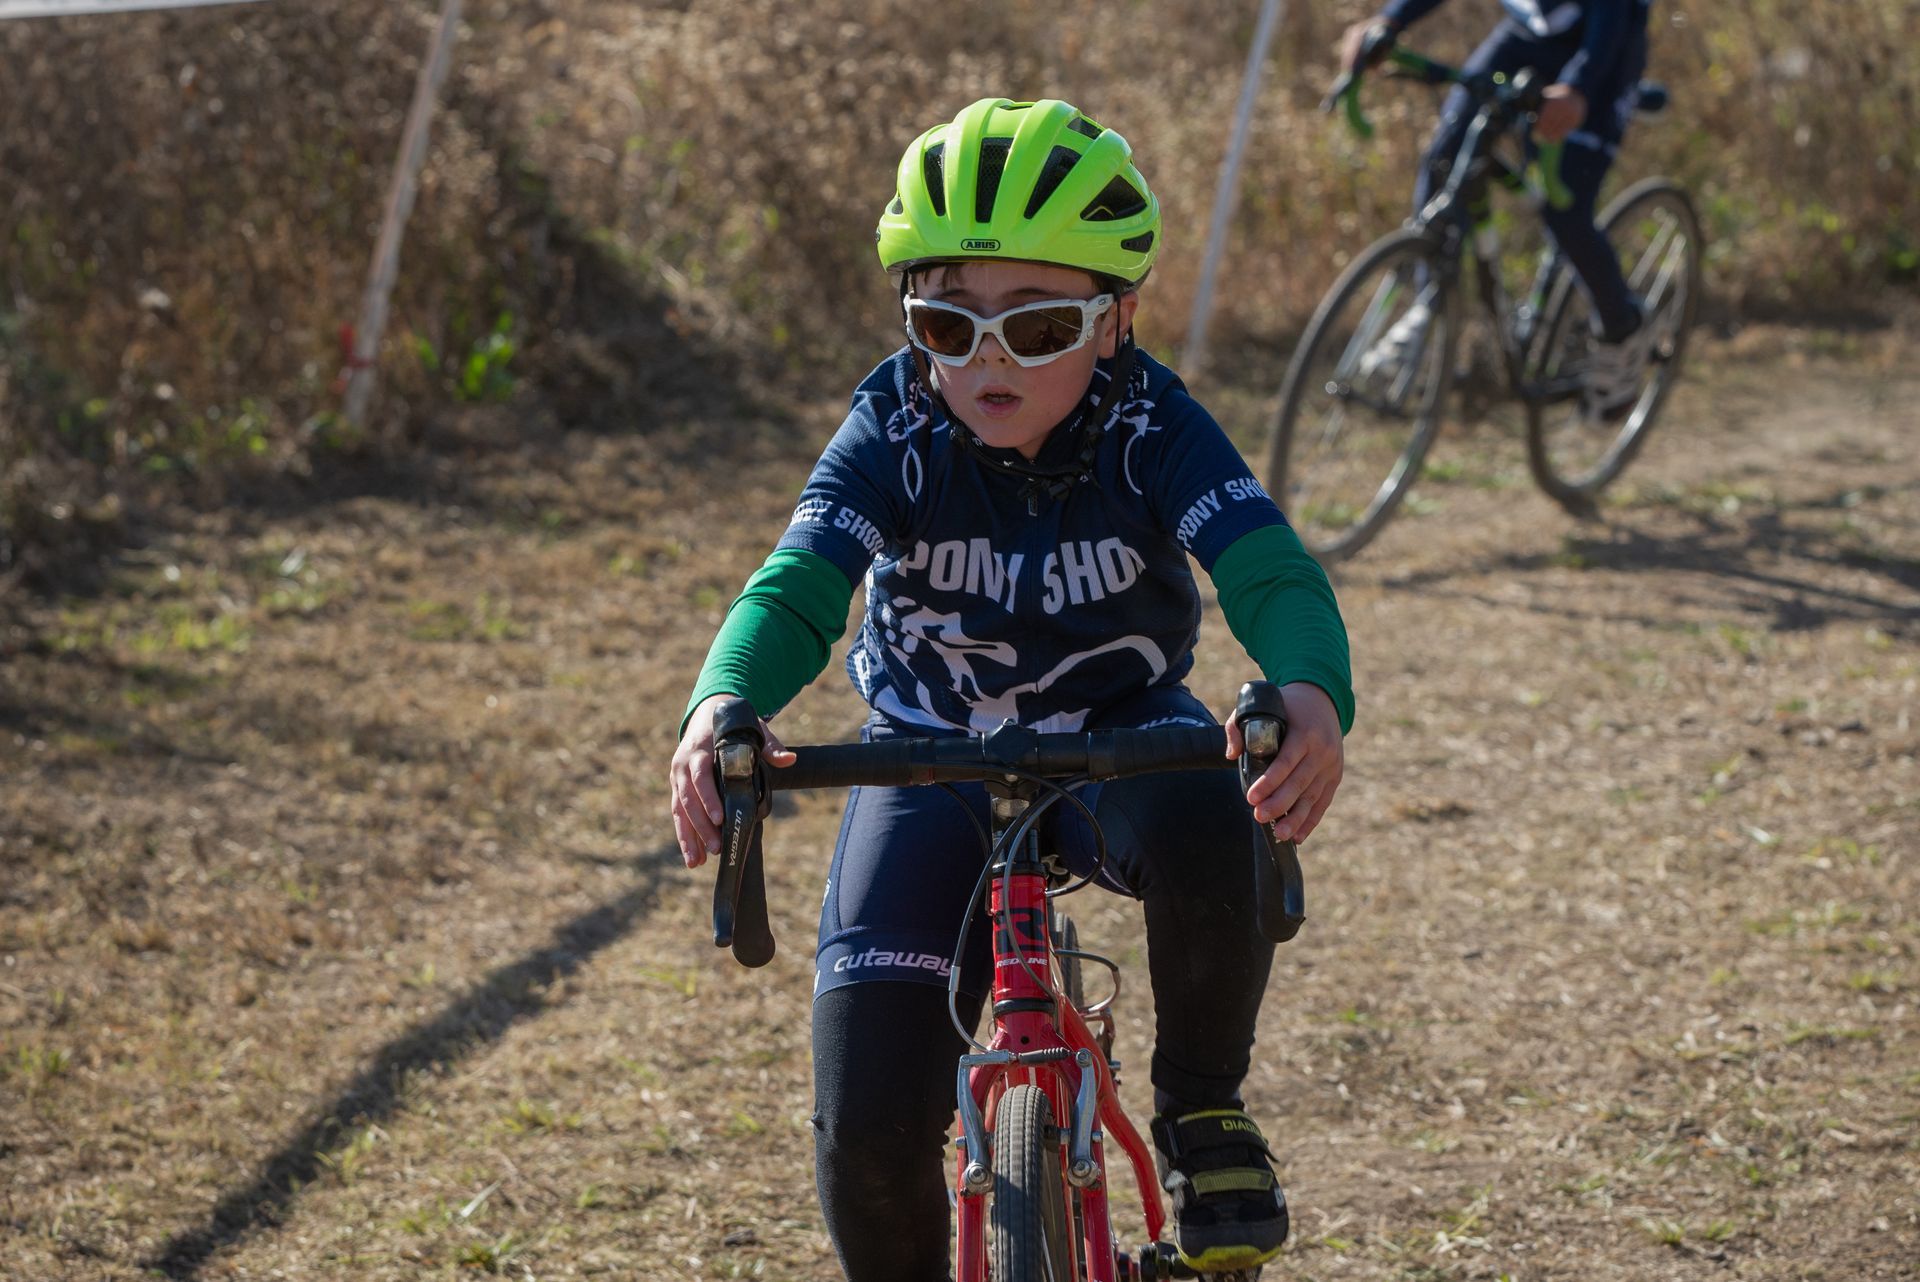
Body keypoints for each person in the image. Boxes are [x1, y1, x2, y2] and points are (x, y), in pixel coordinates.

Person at [668, 96, 1354, 1281]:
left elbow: (1267, 565)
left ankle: (1201, 1109)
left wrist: (1308, 688)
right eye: (948, 320)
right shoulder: (897, 419)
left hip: (1123, 734)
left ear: (1117, 319)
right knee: (868, 1127)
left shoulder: (1150, 418)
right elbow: (798, 587)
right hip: (927, 747)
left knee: (1218, 816)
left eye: (1037, 329)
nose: (985, 359)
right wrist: (720, 700)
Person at [1342, 0, 1657, 417]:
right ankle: (1427, 311)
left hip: (1604, 46)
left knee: (1565, 211)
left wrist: (1579, 87)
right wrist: (1389, 21)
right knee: (1445, 160)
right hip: (1526, 35)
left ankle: (1623, 328)